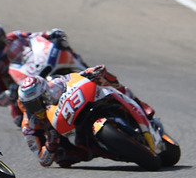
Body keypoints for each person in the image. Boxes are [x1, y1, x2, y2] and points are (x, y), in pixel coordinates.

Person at [17, 65, 155, 167]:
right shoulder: (29, 124)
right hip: (66, 134)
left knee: (104, 77)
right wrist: (50, 144)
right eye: (30, 105)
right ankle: (110, 151)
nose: (35, 108)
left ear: (45, 92)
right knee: (63, 158)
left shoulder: (56, 84)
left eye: (37, 102)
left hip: (80, 107)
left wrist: (89, 73)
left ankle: (139, 103)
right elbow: (43, 160)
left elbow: (73, 78)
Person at [0, 21, 81, 127]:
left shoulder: (14, 36)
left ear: (2, 38)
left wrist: (51, 34)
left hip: (34, 68)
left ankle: (84, 69)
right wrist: (10, 94)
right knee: (26, 121)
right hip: (21, 93)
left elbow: (35, 36)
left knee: (61, 45)